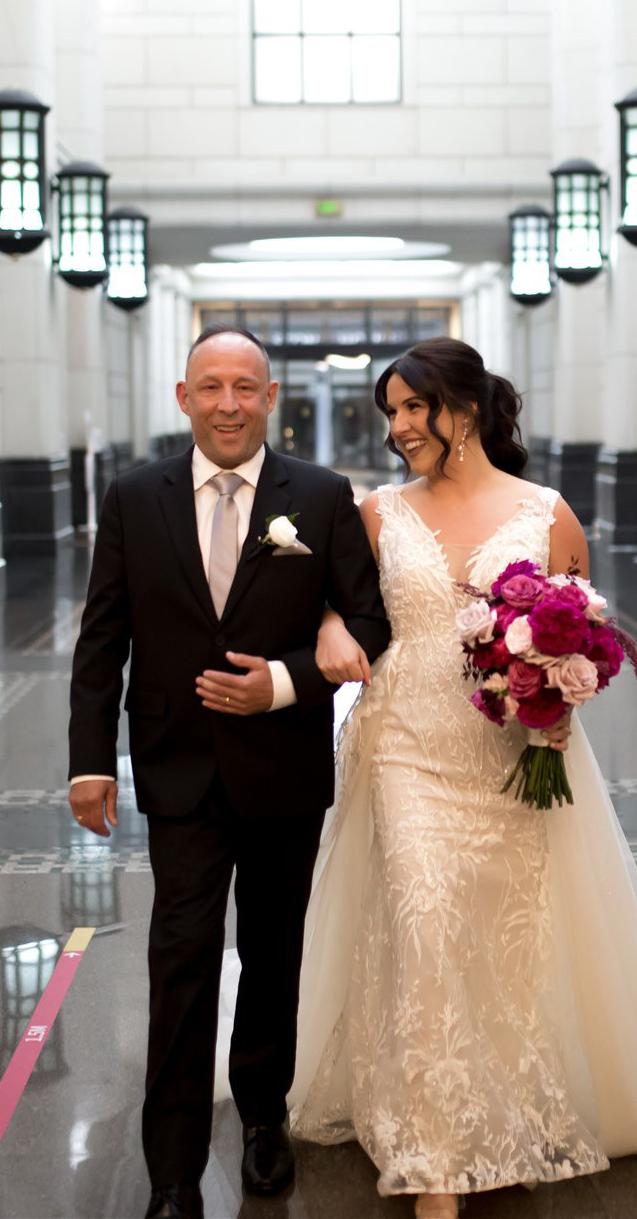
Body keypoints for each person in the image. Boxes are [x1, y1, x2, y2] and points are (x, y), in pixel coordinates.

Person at [274, 337, 637, 1219]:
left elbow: (585, 640)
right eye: (392, 412)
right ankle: (434, 1151)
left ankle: (506, 1105)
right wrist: (332, 619)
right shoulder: (376, 513)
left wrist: (554, 691)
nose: (400, 427)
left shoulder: (548, 515)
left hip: (511, 750)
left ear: (467, 410)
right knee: (426, 916)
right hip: (405, 740)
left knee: (504, 931)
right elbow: (343, 604)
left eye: (415, 408)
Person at [66, 325, 389, 1219]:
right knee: (181, 956)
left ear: (271, 397)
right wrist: (89, 763)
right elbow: (103, 638)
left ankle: (261, 1122)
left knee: (275, 954)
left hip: (282, 764)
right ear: (184, 398)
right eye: (210, 387)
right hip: (174, 768)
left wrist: (284, 684)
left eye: (245, 387)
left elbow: (370, 621)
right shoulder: (134, 497)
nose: (228, 404)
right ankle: (170, 1170)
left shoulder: (319, 498)